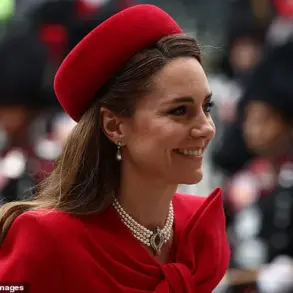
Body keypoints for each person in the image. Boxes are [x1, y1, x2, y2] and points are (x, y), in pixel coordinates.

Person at [0, 4, 230, 293]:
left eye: (206, 107)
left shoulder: (199, 227)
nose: (207, 127)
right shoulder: (48, 237)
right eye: (179, 111)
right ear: (114, 126)